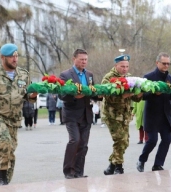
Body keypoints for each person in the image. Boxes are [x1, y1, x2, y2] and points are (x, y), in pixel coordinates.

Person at [0, 43, 37, 186]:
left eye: (16, 56)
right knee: (4, 143)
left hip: (14, 119)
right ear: (2, 57)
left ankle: (6, 181)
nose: (15, 59)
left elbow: (27, 97)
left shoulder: (23, 74)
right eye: (11, 57)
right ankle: (2, 179)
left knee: (10, 149)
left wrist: (34, 95)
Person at [59, 48, 99, 179]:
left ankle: (78, 172)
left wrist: (100, 95)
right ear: (74, 59)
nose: (84, 62)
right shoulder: (65, 75)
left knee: (83, 145)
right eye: (81, 59)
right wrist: (76, 96)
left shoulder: (90, 75)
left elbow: (93, 92)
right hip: (71, 114)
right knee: (74, 140)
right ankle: (68, 171)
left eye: (86, 60)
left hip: (86, 114)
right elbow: (62, 95)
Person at [136, 52, 171, 172]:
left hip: (165, 115)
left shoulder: (170, 79)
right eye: (164, 63)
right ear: (157, 63)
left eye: (168, 64)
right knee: (152, 141)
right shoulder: (148, 77)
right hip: (152, 115)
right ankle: (142, 160)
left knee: (167, 140)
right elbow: (142, 95)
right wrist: (154, 93)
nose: (166, 66)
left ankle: (158, 164)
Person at [102, 54, 142, 175]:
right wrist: (122, 95)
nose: (125, 69)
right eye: (122, 66)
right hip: (112, 115)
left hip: (125, 115)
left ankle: (111, 165)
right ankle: (119, 167)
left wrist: (140, 93)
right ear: (116, 65)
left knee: (125, 141)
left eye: (127, 66)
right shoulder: (108, 78)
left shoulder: (130, 78)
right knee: (119, 140)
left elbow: (135, 98)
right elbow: (107, 96)